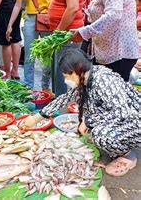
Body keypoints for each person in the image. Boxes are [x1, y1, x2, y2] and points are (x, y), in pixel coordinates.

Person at [21, 49, 141, 177]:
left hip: (135, 122)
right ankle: (118, 142)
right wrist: (36, 118)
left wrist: (88, 121)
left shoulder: (104, 80)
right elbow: (65, 98)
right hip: (123, 120)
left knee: (100, 135)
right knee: (92, 118)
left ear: (75, 71)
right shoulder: (86, 76)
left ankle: (129, 156)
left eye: (66, 76)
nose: (65, 80)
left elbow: (123, 113)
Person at [71, 0, 139, 82]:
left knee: (112, 97)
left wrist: (85, 32)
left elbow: (113, 15)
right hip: (110, 52)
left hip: (119, 54)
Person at [6, 0, 58, 90]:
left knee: (48, 55)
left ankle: (46, 87)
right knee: (29, 55)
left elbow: (58, 2)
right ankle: (28, 87)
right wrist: (10, 24)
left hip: (48, 20)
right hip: (30, 20)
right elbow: (18, 5)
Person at [49, 0, 85, 96]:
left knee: (65, 74)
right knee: (61, 72)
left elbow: (72, 8)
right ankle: (60, 105)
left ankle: (63, 111)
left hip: (67, 35)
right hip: (64, 35)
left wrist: (58, 32)